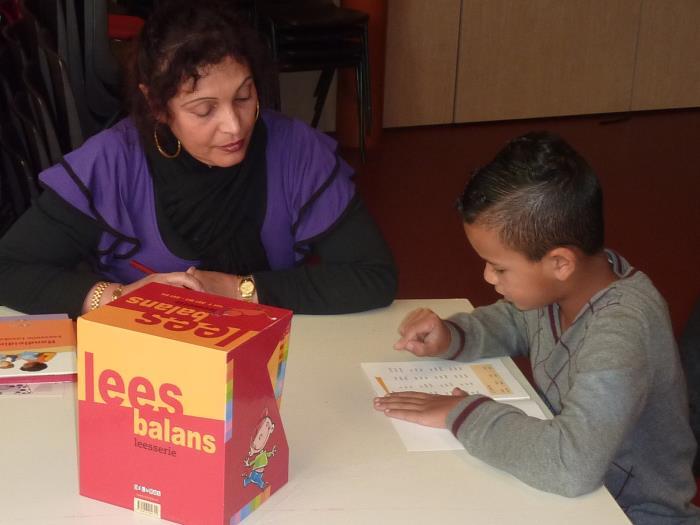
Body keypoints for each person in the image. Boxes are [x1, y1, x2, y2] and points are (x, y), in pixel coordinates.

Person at [374, 132, 699, 524]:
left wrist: (463, 414)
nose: (488, 276)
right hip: (571, 501)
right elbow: (514, 321)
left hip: (633, 514)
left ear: (560, 262)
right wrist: (453, 336)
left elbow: (571, 465)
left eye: (500, 267)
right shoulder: (560, 290)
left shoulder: (622, 331)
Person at [0, 0, 396, 317]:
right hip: (147, 370)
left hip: (269, 357)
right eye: (204, 110)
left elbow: (373, 276)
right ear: (157, 105)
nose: (234, 127)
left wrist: (244, 289)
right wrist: (118, 296)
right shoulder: (112, 164)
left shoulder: (296, 152)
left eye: (244, 97)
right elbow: (9, 269)